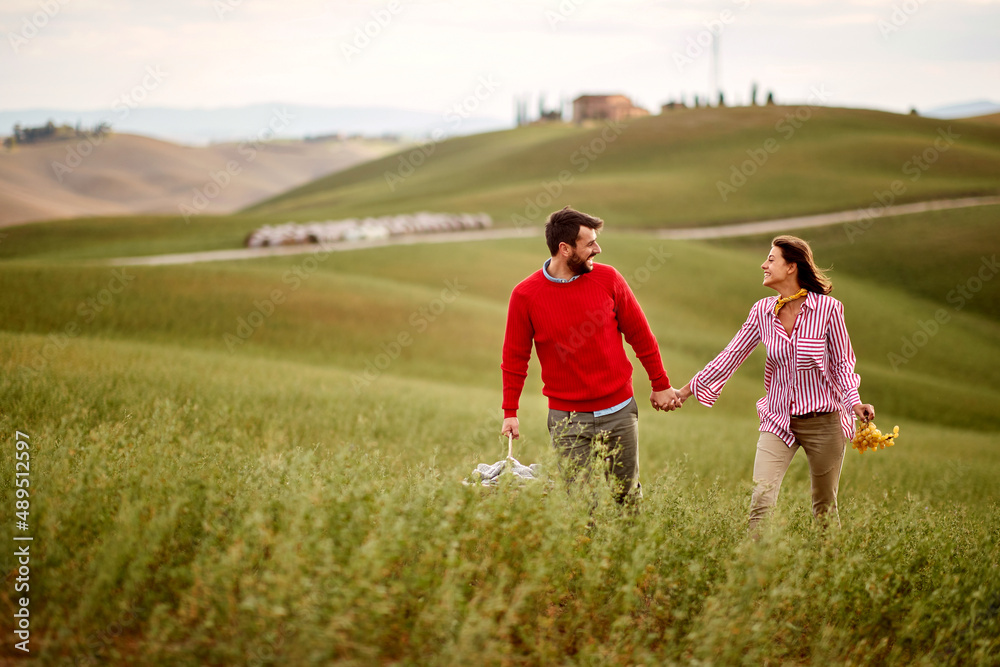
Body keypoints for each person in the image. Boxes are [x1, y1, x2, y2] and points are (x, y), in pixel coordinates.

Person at [676, 235, 875, 532]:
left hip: (824, 422)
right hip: (778, 419)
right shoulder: (762, 311)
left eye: (771, 259)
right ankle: (757, 572)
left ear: (792, 266)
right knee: (761, 499)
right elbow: (731, 355)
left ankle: (831, 569)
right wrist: (685, 390)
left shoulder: (829, 309)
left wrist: (854, 402)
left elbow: (842, 364)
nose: (763, 265)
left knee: (824, 507)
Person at [500, 206, 681, 503]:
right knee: (581, 505)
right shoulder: (525, 295)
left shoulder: (609, 279)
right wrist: (510, 411)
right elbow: (515, 358)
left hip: (620, 411)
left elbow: (640, 335)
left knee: (628, 499)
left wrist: (660, 384)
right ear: (564, 248)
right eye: (590, 244)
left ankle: (628, 548)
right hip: (567, 420)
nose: (598, 248)